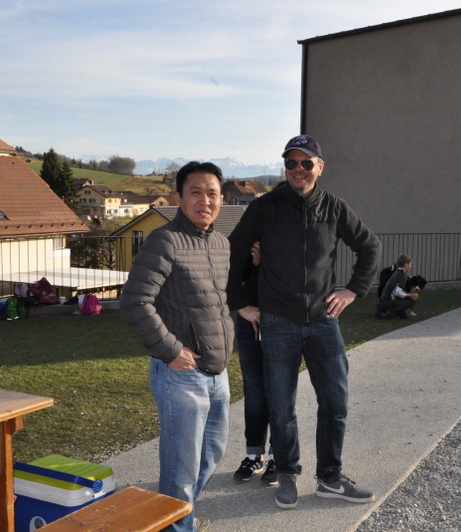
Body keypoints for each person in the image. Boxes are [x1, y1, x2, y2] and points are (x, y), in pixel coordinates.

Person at [227, 134, 381, 510]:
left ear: (319, 167)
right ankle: (287, 474)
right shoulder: (264, 207)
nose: (298, 169)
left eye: (306, 163)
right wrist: (240, 304)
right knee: (282, 407)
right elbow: (231, 252)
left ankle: (330, 478)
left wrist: (353, 290)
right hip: (277, 322)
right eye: (291, 163)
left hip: (324, 321)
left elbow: (369, 246)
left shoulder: (334, 207)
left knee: (335, 403)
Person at [121, 161, 232, 532]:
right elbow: (135, 301)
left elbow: (214, 300)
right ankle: (176, 526)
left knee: (211, 454)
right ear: (179, 197)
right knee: (181, 470)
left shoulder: (221, 243)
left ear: (222, 199)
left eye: (212, 193)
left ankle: (175, 518)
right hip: (180, 374)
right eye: (195, 192)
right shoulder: (165, 240)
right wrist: (170, 350)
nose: (205, 200)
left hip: (217, 372)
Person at [232, 242, 278, 486]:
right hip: (248, 319)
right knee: (254, 389)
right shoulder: (245, 239)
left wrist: (263, 265)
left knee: (279, 390)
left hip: (281, 321)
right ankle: (254, 455)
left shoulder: (285, 235)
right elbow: (232, 281)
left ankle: (278, 456)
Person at [375, 254, 418, 319]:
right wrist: (409, 295)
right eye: (410, 264)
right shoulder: (403, 276)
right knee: (412, 301)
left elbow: (396, 289)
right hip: (391, 299)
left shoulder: (397, 272)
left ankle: (383, 308)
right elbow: (398, 292)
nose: (411, 266)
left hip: (385, 298)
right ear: (406, 265)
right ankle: (390, 310)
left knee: (404, 316)